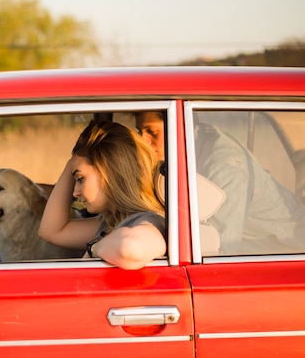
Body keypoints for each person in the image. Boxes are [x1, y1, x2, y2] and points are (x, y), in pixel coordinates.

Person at [135, 111, 305, 254]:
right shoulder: (195, 144)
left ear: (179, 127)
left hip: (284, 250)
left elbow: (219, 249)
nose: (143, 140)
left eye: (152, 132)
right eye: (139, 132)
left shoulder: (224, 168)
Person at [38, 120, 166, 270]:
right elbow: (51, 231)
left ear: (111, 172)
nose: (75, 192)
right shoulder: (112, 223)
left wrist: (93, 249)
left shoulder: (151, 221)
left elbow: (130, 249)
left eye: (80, 179)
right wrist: (73, 163)